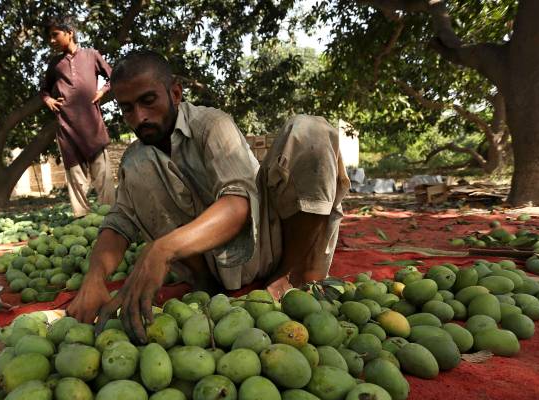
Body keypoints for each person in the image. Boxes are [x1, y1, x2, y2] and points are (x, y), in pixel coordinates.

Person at [67, 50, 350, 342]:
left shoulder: (212, 125)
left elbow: (238, 202)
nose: (139, 117)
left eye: (148, 101)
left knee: (311, 131)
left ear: (175, 93)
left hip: (266, 241)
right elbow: (119, 222)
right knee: (137, 164)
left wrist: (163, 249)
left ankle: (289, 276)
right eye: (127, 109)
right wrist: (95, 277)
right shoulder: (136, 157)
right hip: (210, 264)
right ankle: (206, 286)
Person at [40, 16, 115, 217]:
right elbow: (44, 90)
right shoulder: (54, 64)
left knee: (103, 177)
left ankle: (112, 220)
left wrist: (102, 91)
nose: (51, 41)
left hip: (93, 127)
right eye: (50, 37)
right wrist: (48, 101)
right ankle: (82, 220)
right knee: (76, 176)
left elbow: (113, 76)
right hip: (66, 127)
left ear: (69, 32)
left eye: (55, 35)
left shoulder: (92, 55)